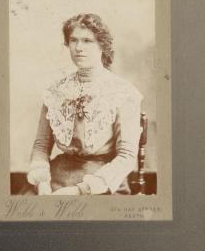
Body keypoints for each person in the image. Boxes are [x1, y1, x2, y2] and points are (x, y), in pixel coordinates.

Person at [27, 13, 143, 195]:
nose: (79, 48)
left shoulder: (123, 93)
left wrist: (80, 191)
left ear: (102, 46)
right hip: (56, 177)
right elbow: (41, 146)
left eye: (87, 41)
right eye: (73, 40)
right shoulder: (55, 91)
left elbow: (127, 156)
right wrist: (42, 183)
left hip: (102, 181)